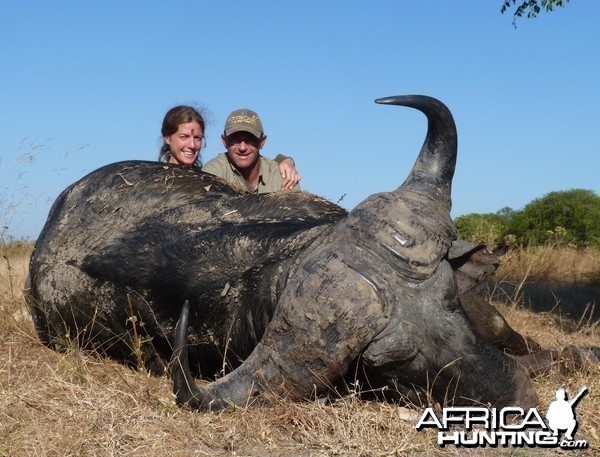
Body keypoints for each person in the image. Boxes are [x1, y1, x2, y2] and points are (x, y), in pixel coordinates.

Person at [158, 105, 300, 188]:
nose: (191, 145)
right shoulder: (212, 173)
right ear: (167, 138)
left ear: (262, 142)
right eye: (184, 137)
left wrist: (284, 160)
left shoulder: (204, 177)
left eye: (197, 138)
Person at [201, 108, 301, 193]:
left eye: (250, 139)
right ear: (224, 141)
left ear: (262, 142)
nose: (242, 148)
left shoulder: (283, 177)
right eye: (235, 140)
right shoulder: (212, 173)